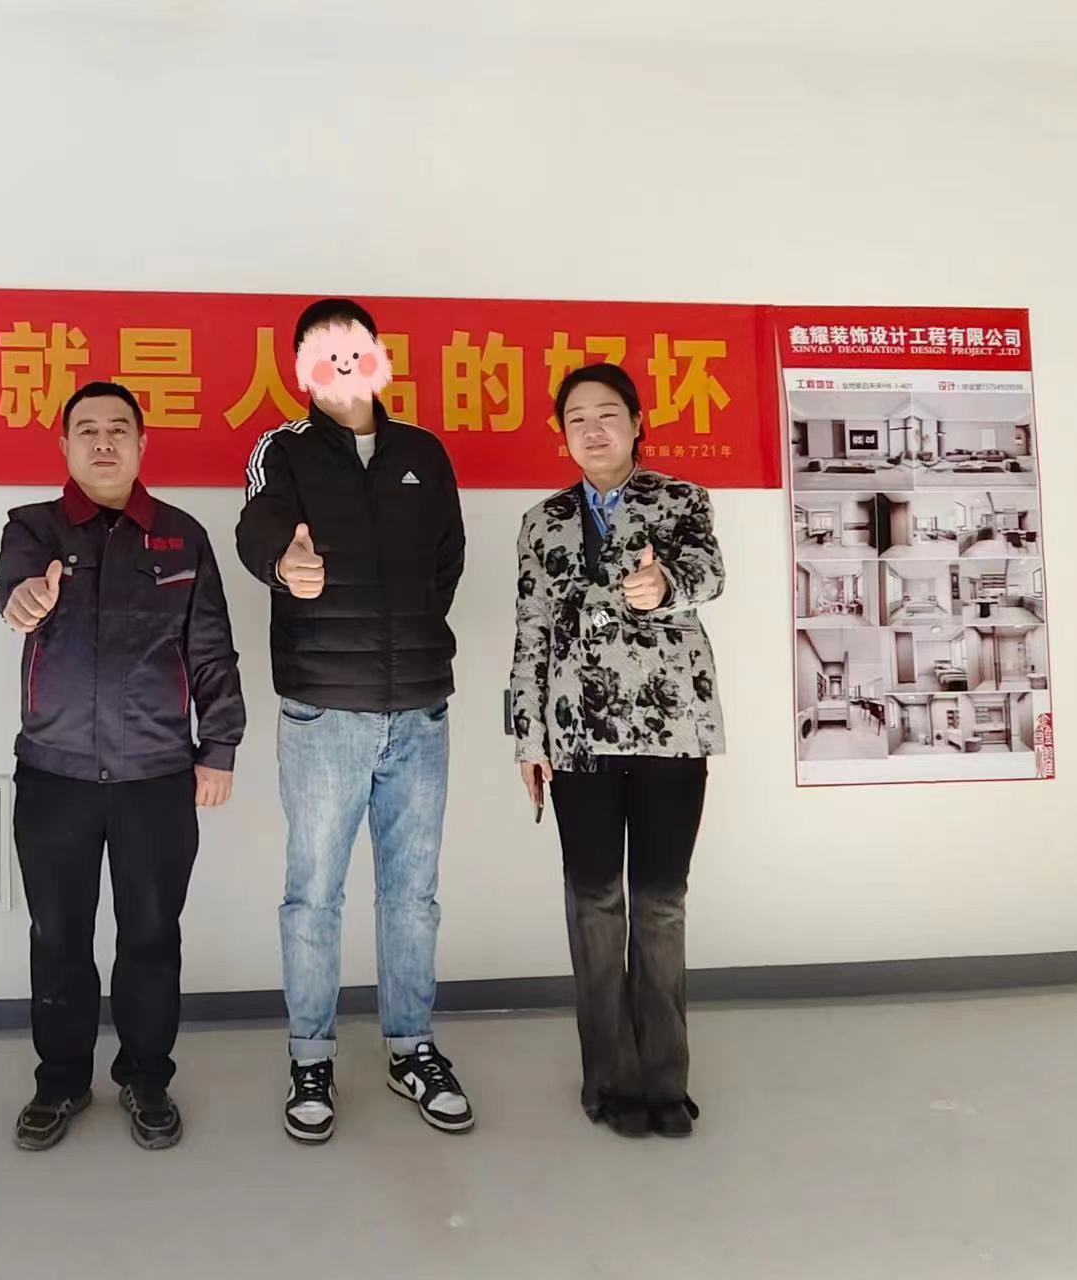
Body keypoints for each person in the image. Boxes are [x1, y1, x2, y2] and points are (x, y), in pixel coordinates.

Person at [235, 298, 470, 1144]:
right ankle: (311, 1056)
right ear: (301, 368)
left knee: (413, 895)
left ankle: (411, 1046)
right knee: (313, 895)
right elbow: (258, 527)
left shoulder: (422, 454)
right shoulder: (284, 451)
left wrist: (408, 641)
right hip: (323, 712)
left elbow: (447, 560)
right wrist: (284, 564)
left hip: (419, 709)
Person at [0, 381, 245, 1152]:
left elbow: (210, 648)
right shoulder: (32, 528)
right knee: (58, 937)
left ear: (141, 443)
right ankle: (61, 1081)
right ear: (64, 445)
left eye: (117, 429)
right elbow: (13, 592)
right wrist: (26, 600)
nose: (103, 442)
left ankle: (146, 1078)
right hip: (55, 775)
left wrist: (220, 747)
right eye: (87, 430)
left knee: (151, 937)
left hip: (156, 776)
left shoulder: (181, 537)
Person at [510, 362, 726, 1139]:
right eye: (577, 419)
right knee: (596, 906)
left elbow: (710, 573)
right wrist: (528, 737)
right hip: (577, 738)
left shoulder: (681, 499)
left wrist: (664, 586)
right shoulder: (542, 521)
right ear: (562, 435)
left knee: (660, 906)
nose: (593, 430)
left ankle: (665, 1081)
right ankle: (610, 1081)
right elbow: (531, 633)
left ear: (638, 423)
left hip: (671, 731)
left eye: (608, 414)